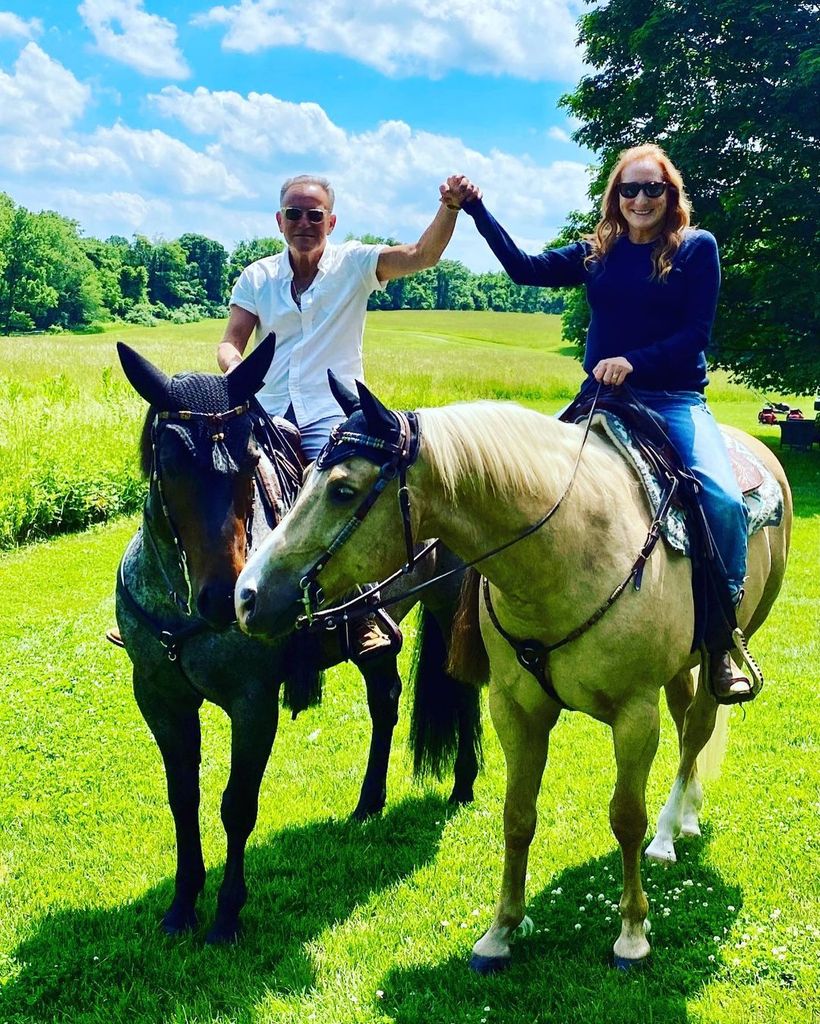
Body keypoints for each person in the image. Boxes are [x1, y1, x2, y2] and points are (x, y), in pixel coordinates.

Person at [442, 146, 754, 702]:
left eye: (652, 189)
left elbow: (694, 335)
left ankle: (721, 638)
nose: (640, 200)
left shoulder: (696, 249)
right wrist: (477, 210)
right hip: (600, 399)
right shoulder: (597, 253)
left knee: (722, 499)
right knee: (518, 488)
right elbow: (525, 269)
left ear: (670, 194)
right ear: (615, 196)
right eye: (628, 190)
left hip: (672, 398)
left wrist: (635, 362)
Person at [218, 173, 464, 660]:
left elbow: (422, 256)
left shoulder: (354, 264)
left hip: (333, 416)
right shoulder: (257, 277)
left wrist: (450, 208)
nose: (305, 223)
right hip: (266, 410)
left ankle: (366, 616)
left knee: (340, 503)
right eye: (295, 214)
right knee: (204, 478)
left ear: (331, 221)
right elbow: (231, 341)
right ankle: (178, 600)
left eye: (315, 215)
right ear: (279, 221)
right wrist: (236, 370)